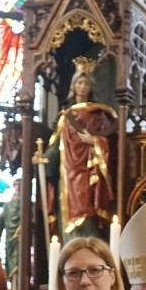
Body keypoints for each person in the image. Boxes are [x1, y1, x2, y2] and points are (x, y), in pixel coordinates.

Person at [57, 68, 118, 236]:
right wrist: (42, 159)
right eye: (79, 83)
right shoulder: (66, 117)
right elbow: (56, 148)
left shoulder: (100, 113)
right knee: (71, 220)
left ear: (91, 87)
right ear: (74, 86)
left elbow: (114, 142)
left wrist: (95, 142)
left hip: (92, 171)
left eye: (86, 83)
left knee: (90, 212)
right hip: (70, 173)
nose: (82, 87)